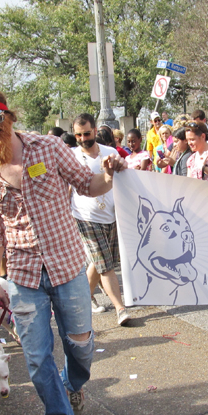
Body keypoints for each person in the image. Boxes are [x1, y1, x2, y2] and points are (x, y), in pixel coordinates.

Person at [0, 88, 126, 415]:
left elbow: (89, 185)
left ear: (9, 115)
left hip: (67, 265)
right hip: (22, 275)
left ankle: (72, 384)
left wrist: (110, 174)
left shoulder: (49, 149)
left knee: (80, 346)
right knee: (36, 357)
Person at [71, 114, 130, 325]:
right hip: (85, 217)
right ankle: (120, 308)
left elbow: (124, 174)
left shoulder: (110, 152)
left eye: (86, 133)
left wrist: (120, 165)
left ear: (95, 131)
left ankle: (80, 303)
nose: (82, 138)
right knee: (105, 265)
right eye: (78, 134)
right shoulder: (72, 156)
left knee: (100, 262)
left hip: (111, 216)